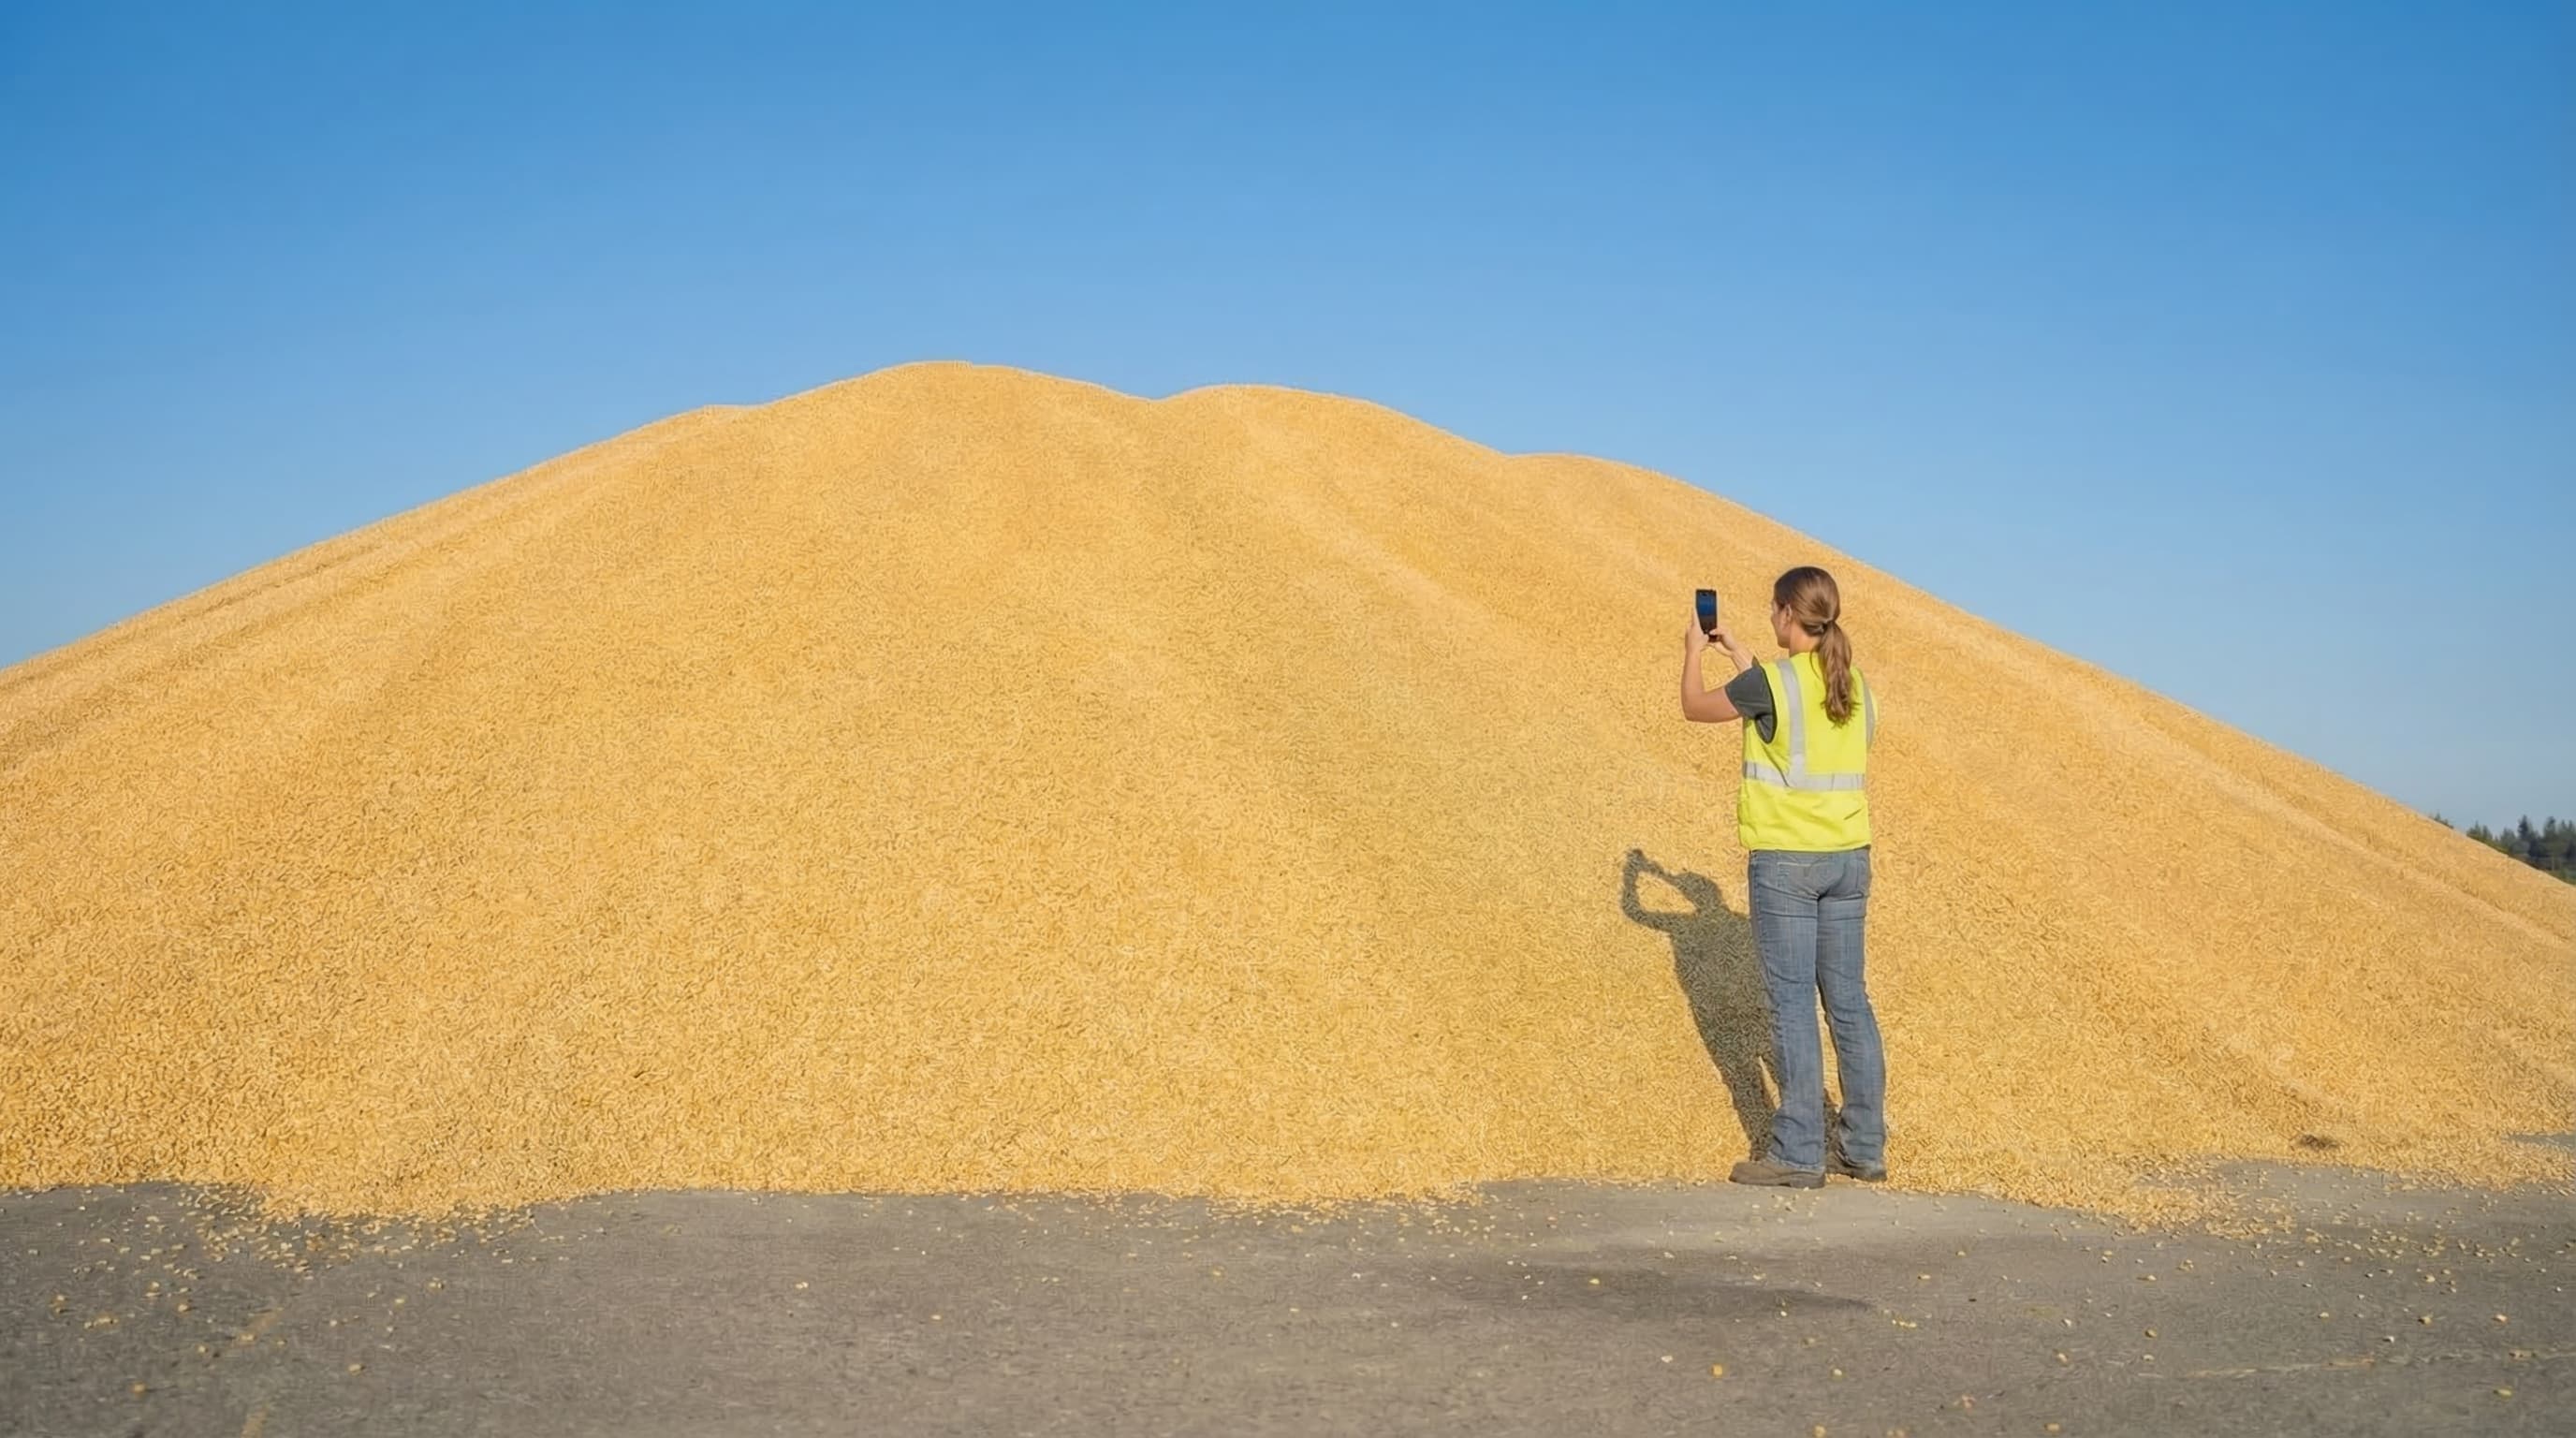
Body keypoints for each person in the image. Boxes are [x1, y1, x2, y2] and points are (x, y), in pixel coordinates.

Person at [1679, 565, 1886, 1188]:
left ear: (1788, 616)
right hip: (1849, 858)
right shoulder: (1855, 685)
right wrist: (1740, 652)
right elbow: (1794, 713)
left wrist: (1695, 652)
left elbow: (1695, 708)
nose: (1770, 620)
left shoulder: (1773, 683)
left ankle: (1797, 1152)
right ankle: (1865, 1147)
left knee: (1792, 1001)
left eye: (1773, 611)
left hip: (1787, 862)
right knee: (1848, 999)